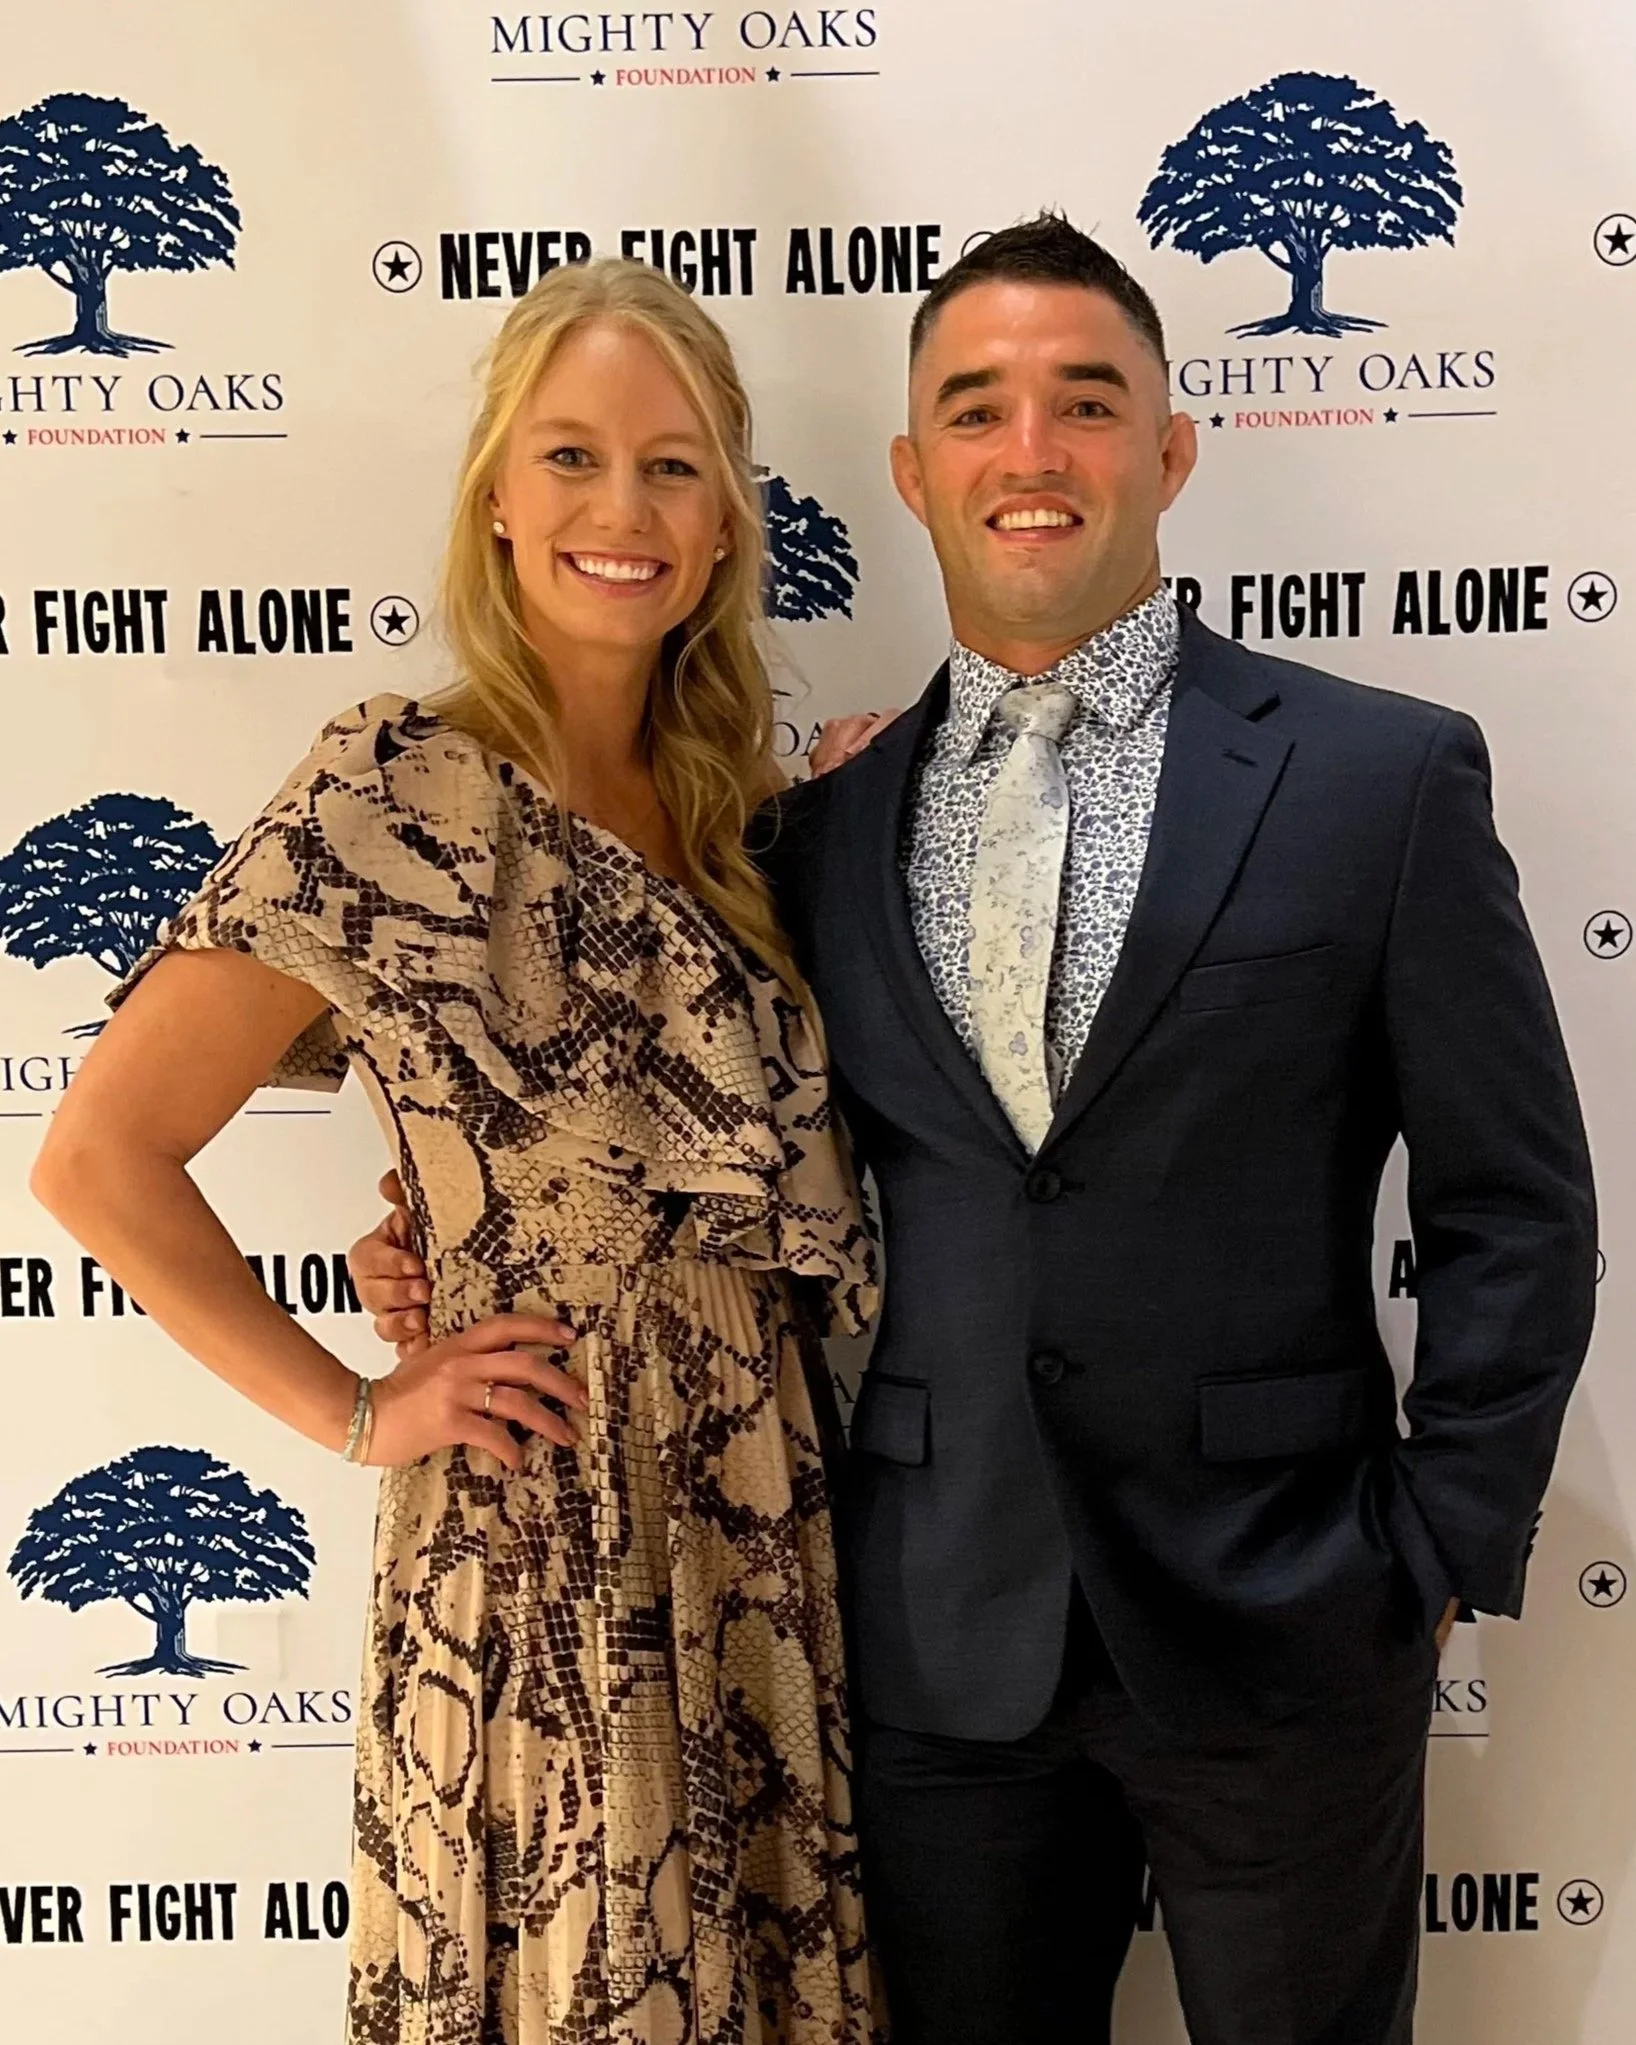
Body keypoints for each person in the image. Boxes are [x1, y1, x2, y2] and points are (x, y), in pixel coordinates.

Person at [348, 216, 1597, 2045]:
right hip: (930, 1641)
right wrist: (440, 1238)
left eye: (1088, 404)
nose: (1036, 452)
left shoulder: (1380, 780)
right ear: (915, 475)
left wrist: (1435, 1553)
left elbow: (1516, 1204)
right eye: (980, 410)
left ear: (1169, 450)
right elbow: (678, 1151)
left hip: (1292, 1622)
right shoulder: (803, 839)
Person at [31, 260, 878, 2045]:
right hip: (541, 1527)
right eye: (570, 456)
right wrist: (358, 1406)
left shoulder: (747, 825)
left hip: (762, 1532)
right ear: (498, 500)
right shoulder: (392, 794)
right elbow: (100, 1158)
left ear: (728, 525)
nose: (621, 511)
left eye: (672, 466)